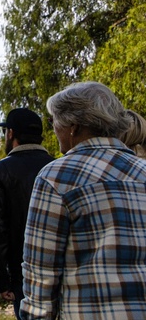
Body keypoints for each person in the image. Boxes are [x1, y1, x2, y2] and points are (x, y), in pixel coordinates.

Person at [21, 81, 146, 319]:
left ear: (72, 127)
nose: (53, 129)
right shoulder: (142, 171)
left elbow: (40, 274)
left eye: (53, 122)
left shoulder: (56, 177)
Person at [0, 107, 54, 318]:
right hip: (62, 267)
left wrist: (1, 279)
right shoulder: (59, 166)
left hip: (23, 271)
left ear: (10, 133)